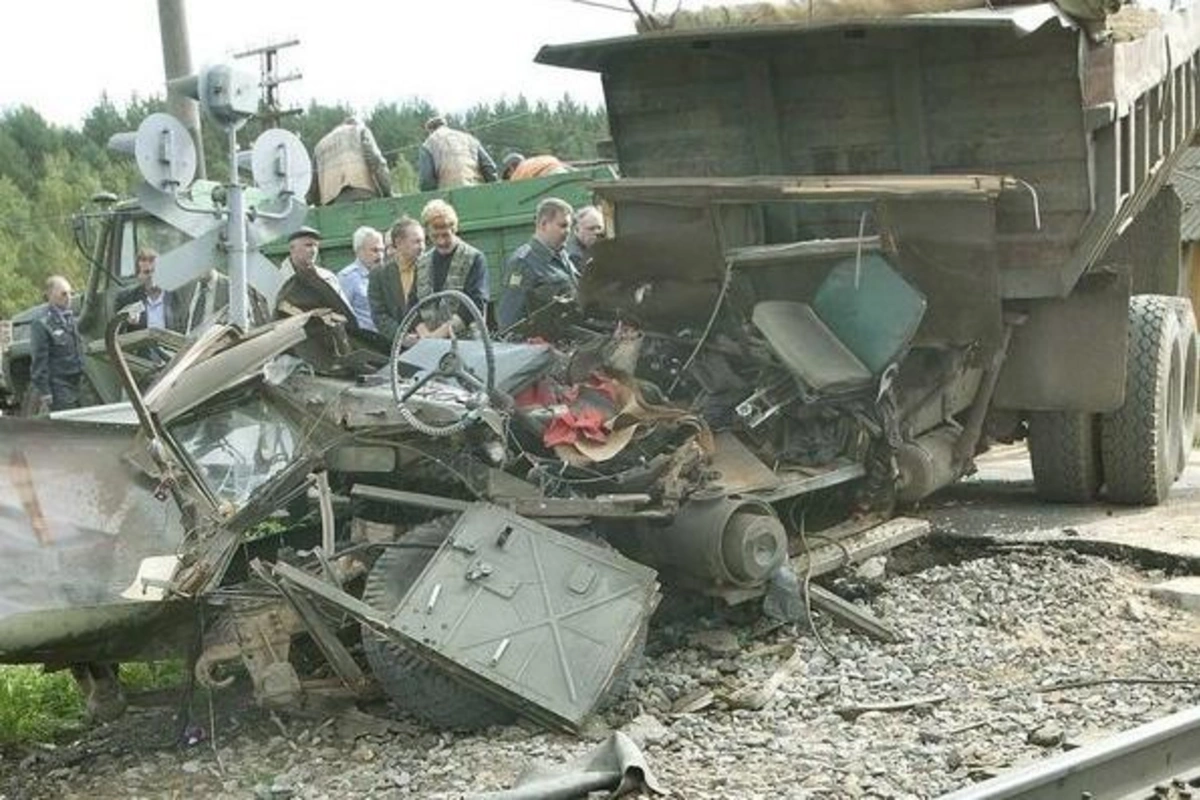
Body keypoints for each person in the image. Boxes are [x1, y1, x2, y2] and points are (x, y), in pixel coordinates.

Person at [497, 198, 577, 331]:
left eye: (570, 226)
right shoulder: (523, 263)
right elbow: (509, 321)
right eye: (563, 226)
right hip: (545, 345)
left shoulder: (562, 256)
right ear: (544, 224)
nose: (568, 231)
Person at [413, 200, 489, 338]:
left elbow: (475, 303)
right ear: (427, 233)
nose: (441, 241)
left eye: (446, 235)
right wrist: (425, 335)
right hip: (429, 344)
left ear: (454, 229)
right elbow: (412, 304)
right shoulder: (421, 263)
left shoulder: (474, 258)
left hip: (466, 342)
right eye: (435, 236)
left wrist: (439, 334)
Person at [30, 275, 84, 413]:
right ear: (50, 295)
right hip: (59, 385)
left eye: (71, 293)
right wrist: (45, 392)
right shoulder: (42, 323)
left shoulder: (71, 318)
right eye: (63, 294)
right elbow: (39, 361)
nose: (69, 298)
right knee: (67, 427)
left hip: (79, 382)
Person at [369, 216, 425, 343]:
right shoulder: (379, 275)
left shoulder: (431, 267)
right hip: (397, 350)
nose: (422, 247)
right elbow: (379, 314)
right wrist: (401, 336)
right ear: (399, 243)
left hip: (432, 341)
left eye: (423, 241)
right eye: (416, 242)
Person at [276, 226, 352, 318]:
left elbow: (345, 311)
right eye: (308, 245)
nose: (313, 251)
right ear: (292, 248)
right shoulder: (277, 280)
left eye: (316, 246)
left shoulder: (328, 277)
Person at [313, 117, 393, 205]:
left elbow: (313, 188)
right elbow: (375, 160)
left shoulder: (319, 146)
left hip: (331, 206)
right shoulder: (360, 130)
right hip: (362, 197)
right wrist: (388, 192)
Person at [417, 116, 498, 191]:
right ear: (445, 125)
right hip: (476, 191)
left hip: (448, 197)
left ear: (430, 130)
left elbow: (426, 181)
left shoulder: (428, 144)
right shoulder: (470, 139)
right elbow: (490, 168)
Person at [114, 248, 182, 331]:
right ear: (139, 276)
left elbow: (180, 328)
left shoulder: (173, 296)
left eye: (154, 272)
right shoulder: (127, 298)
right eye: (146, 272)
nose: (151, 277)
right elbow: (115, 331)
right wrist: (126, 321)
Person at [337, 226, 385, 332]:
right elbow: (341, 315)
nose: (380, 256)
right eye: (375, 250)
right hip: (365, 342)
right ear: (359, 251)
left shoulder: (385, 276)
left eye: (382, 250)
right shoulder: (348, 277)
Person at [501, 152, 571, 181]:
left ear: (511, 168)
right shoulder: (533, 162)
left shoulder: (518, 173)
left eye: (508, 175)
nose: (509, 178)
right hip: (561, 170)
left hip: (550, 176)